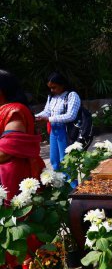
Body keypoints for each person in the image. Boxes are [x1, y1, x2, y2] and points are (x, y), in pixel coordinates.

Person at [0, 69, 45, 267]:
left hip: (11, 174)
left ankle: (20, 262)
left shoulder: (14, 110)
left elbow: (8, 149)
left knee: (15, 220)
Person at [35, 72, 81, 170]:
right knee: (54, 159)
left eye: (54, 87)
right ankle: (59, 182)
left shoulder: (71, 95)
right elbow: (47, 111)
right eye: (50, 88)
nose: (52, 90)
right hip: (54, 130)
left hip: (65, 131)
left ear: (62, 84)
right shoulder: (51, 96)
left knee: (65, 160)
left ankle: (71, 184)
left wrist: (49, 119)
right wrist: (35, 117)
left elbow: (71, 116)